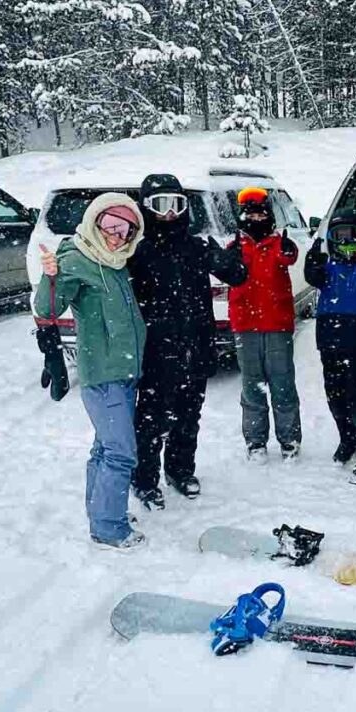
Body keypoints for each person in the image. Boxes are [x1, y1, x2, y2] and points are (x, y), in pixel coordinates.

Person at [128, 173, 248, 508]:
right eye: (160, 205)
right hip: (155, 350)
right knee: (150, 420)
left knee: (187, 416)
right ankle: (145, 480)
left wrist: (226, 257)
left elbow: (237, 275)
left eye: (176, 205)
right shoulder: (137, 252)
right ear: (146, 208)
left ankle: (180, 471)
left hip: (195, 346)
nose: (169, 214)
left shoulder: (195, 246)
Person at [36, 193, 147, 549]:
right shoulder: (76, 258)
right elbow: (48, 308)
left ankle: (100, 512)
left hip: (124, 372)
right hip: (103, 374)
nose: (118, 236)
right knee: (121, 452)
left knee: (104, 447)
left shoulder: (115, 261)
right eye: (111, 226)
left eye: (127, 230)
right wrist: (50, 277)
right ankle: (108, 528)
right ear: (95, 221)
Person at [304, 211, 356, 484]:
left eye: (351, 235)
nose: (346, 241)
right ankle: (347, 440)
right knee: (335, 397)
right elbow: (314, 277)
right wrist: (311, 264)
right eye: (339, 236)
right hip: (329, 338)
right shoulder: (326, 267)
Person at [227, 186, 303, 462]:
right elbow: (225, 271)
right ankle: (256, 442)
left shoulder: (279, 245)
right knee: (252, 386)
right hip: (245, 327)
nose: (256, 220)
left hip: (277, 326)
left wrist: (286, 246)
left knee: (283, 384)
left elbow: (290, 256)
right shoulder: (235, 246)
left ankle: (290, 439)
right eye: (251, 215)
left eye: (261, 215)